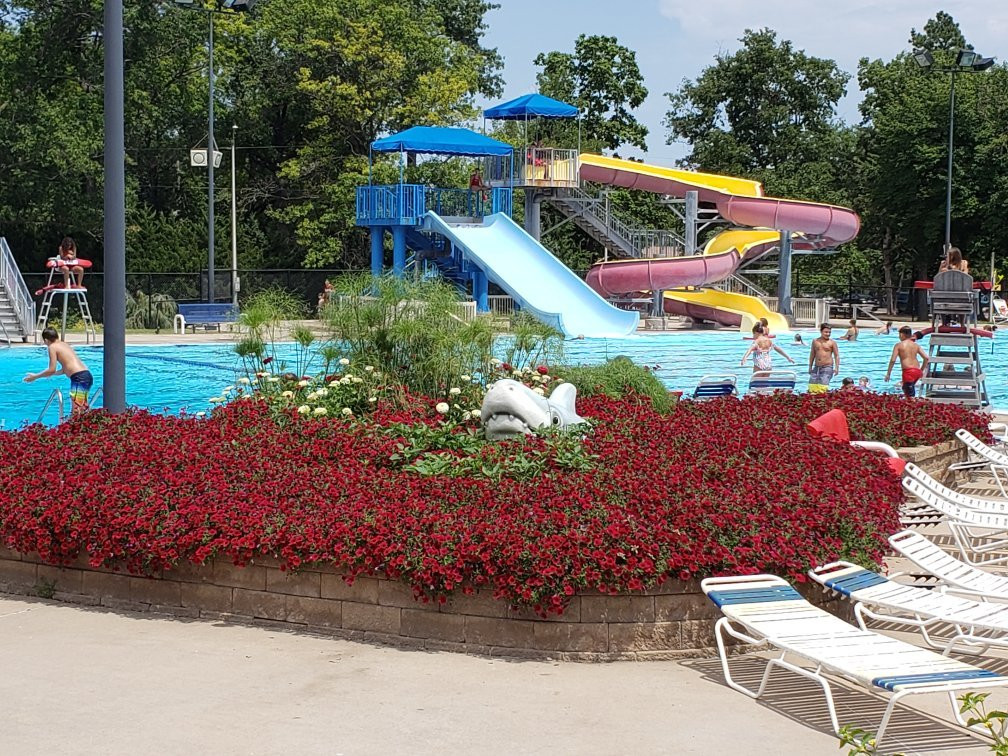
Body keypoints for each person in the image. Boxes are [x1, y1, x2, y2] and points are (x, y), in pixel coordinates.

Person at [23, 327, 93, 415]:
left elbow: (51, 369)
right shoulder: (64, 344)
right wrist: (51, 374)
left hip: (79, 378)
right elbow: (65, 369)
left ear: (46, 340)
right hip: (86, 375)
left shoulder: (52, 347)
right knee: (83, 408)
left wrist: (35, 377)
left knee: (77, 410)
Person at [885, 325, 931, 398]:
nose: (899, 337)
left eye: (899, 334)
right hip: (917, 371)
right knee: (908, 390)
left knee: (909, 396)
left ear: (902, 334)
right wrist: (921, 370)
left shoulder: (898, 345)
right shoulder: (916, 345)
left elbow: (893, 360)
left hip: (908, 372)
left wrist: (888, 374)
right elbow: (926, 358)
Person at [808, 323, 840, 389]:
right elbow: (812, 354)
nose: (828, 334)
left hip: (827, 367)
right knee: (812, 386)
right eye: (826, 332)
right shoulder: (815, 341)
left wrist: (837, 368)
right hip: (816, 367)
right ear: (821, 331)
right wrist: (810, 366)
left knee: (823, 387)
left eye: (829, 332)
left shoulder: (832, 342)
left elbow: (836, 356)